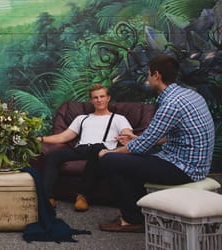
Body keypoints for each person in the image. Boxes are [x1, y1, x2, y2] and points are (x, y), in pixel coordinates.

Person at [98, 54, 215, 233]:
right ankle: (137, 215)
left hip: (184, 169)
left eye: (148, 74)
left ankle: (132, 219)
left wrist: (109, 153)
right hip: (193, 164)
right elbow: (176, 135)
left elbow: (142, 146)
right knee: (130, 160)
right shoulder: (189, 94)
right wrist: (137, 141)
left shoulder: (171, 104)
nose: (147, 78)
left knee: (111, 161)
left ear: (156, 75)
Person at [38, 84, 133, 212]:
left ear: (108, 98)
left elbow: (127, 133)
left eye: (102, 96)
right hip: (81, 149)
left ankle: (82, 196)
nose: (99, 100)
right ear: (91, 100)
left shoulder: (118, 118)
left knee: (97, 148)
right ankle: (47, 197)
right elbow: (63, 137)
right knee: (53, 155)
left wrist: (128, 137)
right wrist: (42, 139)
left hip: (102, 151)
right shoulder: (82, 118)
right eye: (95, 97)